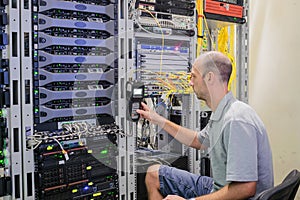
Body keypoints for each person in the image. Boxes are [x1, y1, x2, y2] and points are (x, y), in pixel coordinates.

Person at [136, 51, 274, 200]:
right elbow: (198, 140)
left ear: (209, 78)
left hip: (239, 196)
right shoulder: (222, 111)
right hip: (221, 186)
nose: (190, 82)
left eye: (194, 76)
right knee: (154, 174)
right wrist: (158, 120)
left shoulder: (235, 120)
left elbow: (245, 188)